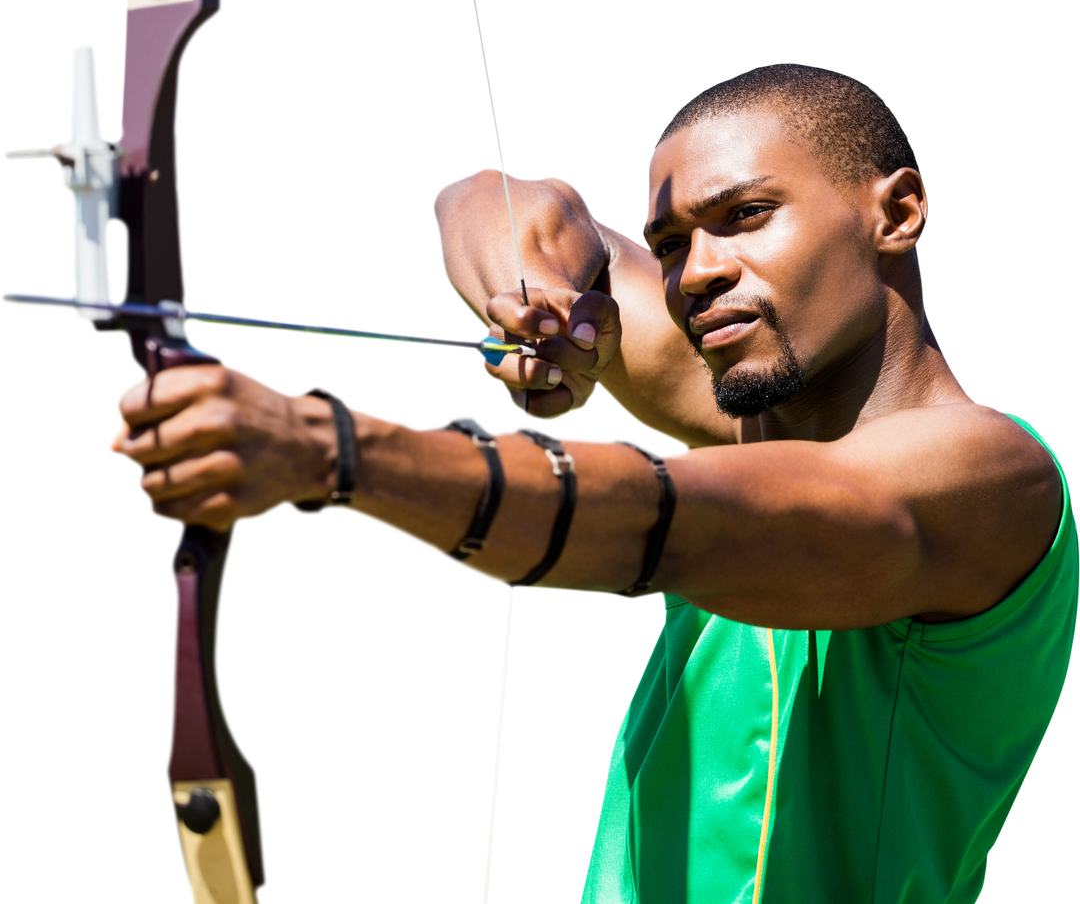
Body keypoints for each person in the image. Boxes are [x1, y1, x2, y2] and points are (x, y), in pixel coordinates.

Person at [106, 62, 1077, 903]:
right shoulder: (749, 413)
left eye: (745, 216)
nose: (698, 274)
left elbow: (660, 521)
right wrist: (533, 290)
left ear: (895, 211)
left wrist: (329, 445)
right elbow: (498, 196)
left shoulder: (993, 478)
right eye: (674, 246)